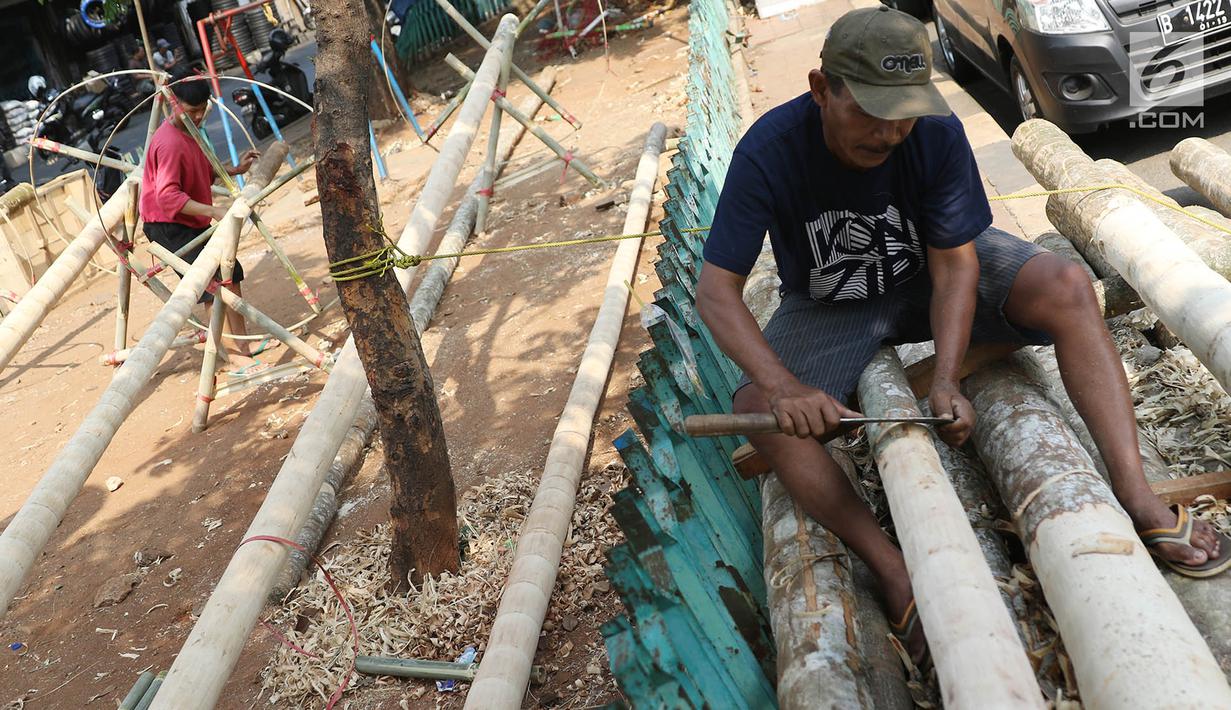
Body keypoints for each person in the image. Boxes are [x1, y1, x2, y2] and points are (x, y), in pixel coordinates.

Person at [695, 5, 1231, 667]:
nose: (889, 132)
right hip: (831, 303)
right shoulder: (768, 151)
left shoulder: (934, 133)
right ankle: (890, 566)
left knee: (1064, 286)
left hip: (930, 272)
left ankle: (1136, 494)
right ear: (820, 88)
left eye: (903, 113)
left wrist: (946, 376)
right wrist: (782, 387)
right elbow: (715, 290)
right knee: (757, 411)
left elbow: (953, 261)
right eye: (868, 111)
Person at [139, 72, 263, 372]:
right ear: (173, 104)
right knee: (211, 283)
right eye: (190, 110)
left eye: (201, 109)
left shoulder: (193, 131)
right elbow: (168, 197)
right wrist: (213, 212)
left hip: (189, 219)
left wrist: (234, 169)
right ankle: (235, 358)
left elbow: (201, 171)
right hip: (168, 225)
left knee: (231, 271)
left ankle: (242, 346)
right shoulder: (168, 143)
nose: (196, 116)